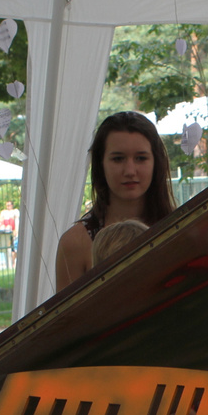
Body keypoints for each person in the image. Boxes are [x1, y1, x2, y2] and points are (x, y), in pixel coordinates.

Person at [55, 111, 176, 291]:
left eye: (141, 158)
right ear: (100, 163)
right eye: (118, 159)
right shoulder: (75, 243)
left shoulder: (179, 228)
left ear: (156, 162)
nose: (129, 170)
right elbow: (68, 318)